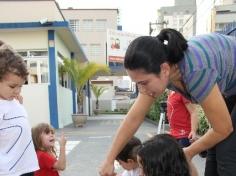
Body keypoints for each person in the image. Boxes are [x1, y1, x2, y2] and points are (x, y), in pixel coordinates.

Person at [99, 28, 236, 176]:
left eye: (143, 82)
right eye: (137, 84)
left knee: (227, 153)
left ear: (164, 69)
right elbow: (133, 118)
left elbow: (223, 129)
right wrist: (109, 160)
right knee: (214, 148)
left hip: (226, 83)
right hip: (230, 87)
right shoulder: (164, 70)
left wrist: (188, 152)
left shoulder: (195, 71)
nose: (141, 89)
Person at [0, 40, 39, 176]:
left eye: (21, 86)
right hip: (8, 172)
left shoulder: (14, 101)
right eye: (12, 86)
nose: (17, 91)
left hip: (26, 168)